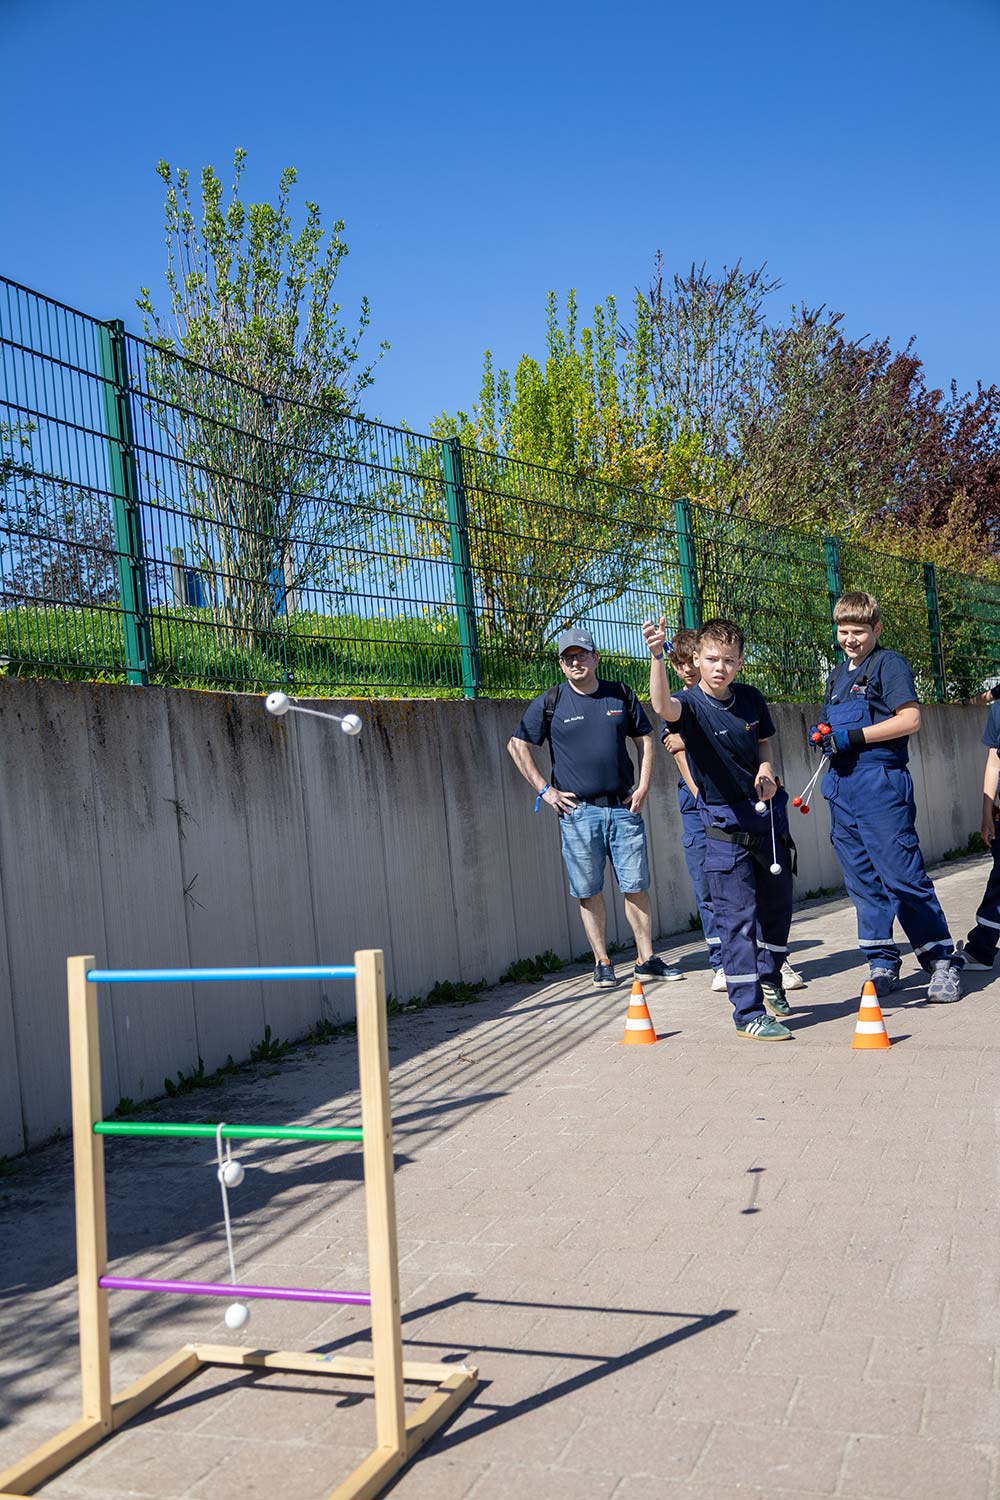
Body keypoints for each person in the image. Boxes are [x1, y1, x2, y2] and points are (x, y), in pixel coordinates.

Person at [643, 614, 795, 1040]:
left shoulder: (750, 698)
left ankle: (771, 978)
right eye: (711, 659)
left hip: (766, 818)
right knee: (737, 918)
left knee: (778, 908)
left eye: (728, 660)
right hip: (724, 824)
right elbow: (662, 707)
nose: (719, 668)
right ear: (696, 658)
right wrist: (657, 657)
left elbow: (764, 741)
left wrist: (766, 769)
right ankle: (748, 1014)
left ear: (740, 662)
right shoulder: (689, 704)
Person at [508, 627, 682, 990]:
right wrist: (547, 791)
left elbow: (645, 739)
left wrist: (644, 785)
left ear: (595, 658)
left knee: (635, 885)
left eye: (582, 655)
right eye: (568, 657)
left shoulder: (619, 693)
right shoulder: (551, 701)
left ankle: (645, 959)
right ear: (561, 663)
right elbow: (517, 746)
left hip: (622, 808)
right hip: (578, 814)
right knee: (589, 890)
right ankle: (602, 962)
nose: (576, 661)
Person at [812, 591, 962, 1002]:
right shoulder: (838, 674)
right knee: (862, 882)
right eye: (843, 631)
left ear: (876, 629)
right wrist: (823, 733)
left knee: (901, 876)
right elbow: (831, 721)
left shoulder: (888, 664)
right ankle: (881, 961)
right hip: (842, 789)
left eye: (859, 631)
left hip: (880, 785)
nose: (850, 639)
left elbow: (910, 719)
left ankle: (941, 961)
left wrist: (854, 735)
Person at [956, 694, 1000, 971]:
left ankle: (981, 948)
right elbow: (995, 761)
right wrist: (987, 812)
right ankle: (981, 950)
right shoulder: (999, 708)